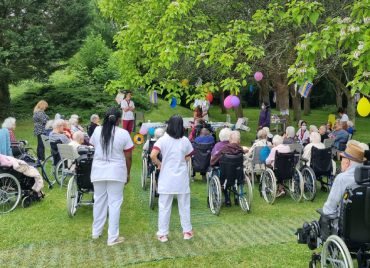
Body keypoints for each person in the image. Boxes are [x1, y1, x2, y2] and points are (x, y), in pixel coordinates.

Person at [90, 107, 134, 246]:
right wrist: (127, 173)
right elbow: (129, 157)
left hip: (98, 171)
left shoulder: (97, 131)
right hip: (116, 171)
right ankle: (112, 237)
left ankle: (96, 232)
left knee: (99, 202)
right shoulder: (123, 133)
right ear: (119, 119)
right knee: (114, 204)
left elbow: (93, 146)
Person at [150, 115, 194, 243]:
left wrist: (159, 163)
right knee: (184, 205)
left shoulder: (163, 140)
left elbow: (153, 155)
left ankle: (162, 233)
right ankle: (187, 231)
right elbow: (188, 157)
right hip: (181, 177)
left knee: (164, 206)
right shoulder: (185, 140)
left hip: (166, 177)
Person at [323, 144, 365, 218]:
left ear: (347, 162)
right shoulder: (367, 177)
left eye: (342, 158)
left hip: (344, 225)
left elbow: (329, 209)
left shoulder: (342, 178)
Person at [211, 131, 244, 207]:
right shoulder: (240, 150)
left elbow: (213, 161)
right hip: (237, 177)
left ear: (229, 140)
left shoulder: (224, 148)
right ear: (239, 141)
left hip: (224, 176)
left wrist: (212, 162)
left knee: (215, 171)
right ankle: (228, 198)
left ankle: (217, 197)